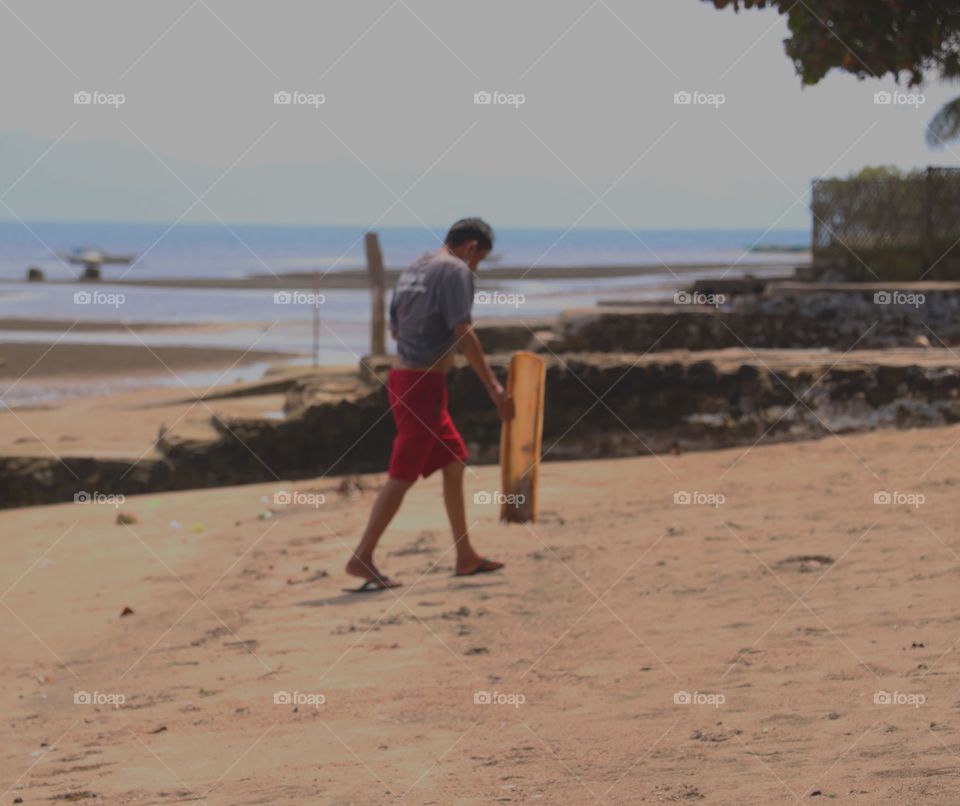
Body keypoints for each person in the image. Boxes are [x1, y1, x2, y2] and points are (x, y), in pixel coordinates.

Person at [345, 218, 514, 592]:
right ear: (471, 248)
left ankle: (465, 554)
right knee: (402, 474)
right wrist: (495, 389)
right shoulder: (456, 271)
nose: (476, 269)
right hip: (421, 387)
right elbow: (464, 333)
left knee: (454, 463)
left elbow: (395, 328)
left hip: (405, 380)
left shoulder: (415, 267)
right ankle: (362, 555)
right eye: (479, 261)